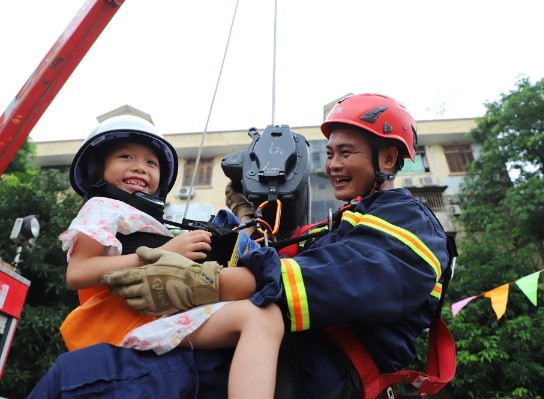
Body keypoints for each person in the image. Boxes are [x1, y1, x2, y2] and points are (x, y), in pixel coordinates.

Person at [29, 93, 450, 398]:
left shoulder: (408, 218)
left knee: (76, 381)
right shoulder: (341, 223)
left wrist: (207, 282)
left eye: (346, 152)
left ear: (389, 160)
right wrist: (239, 229)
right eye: (330, 153)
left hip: (320, 369)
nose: (333, 165)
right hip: (285, 355)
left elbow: (337, 279)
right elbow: (276, 261)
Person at [53, 114, 284, 399]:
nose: (140, 167)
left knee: (264, 315)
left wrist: (245, 218)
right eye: (125, 157)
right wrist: (163, 253)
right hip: (130, 323)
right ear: (97, 169)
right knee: (253, 290)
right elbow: (77, 273)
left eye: (151, 163)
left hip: (160, 317)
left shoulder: (148, 222)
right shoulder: (102, 206)